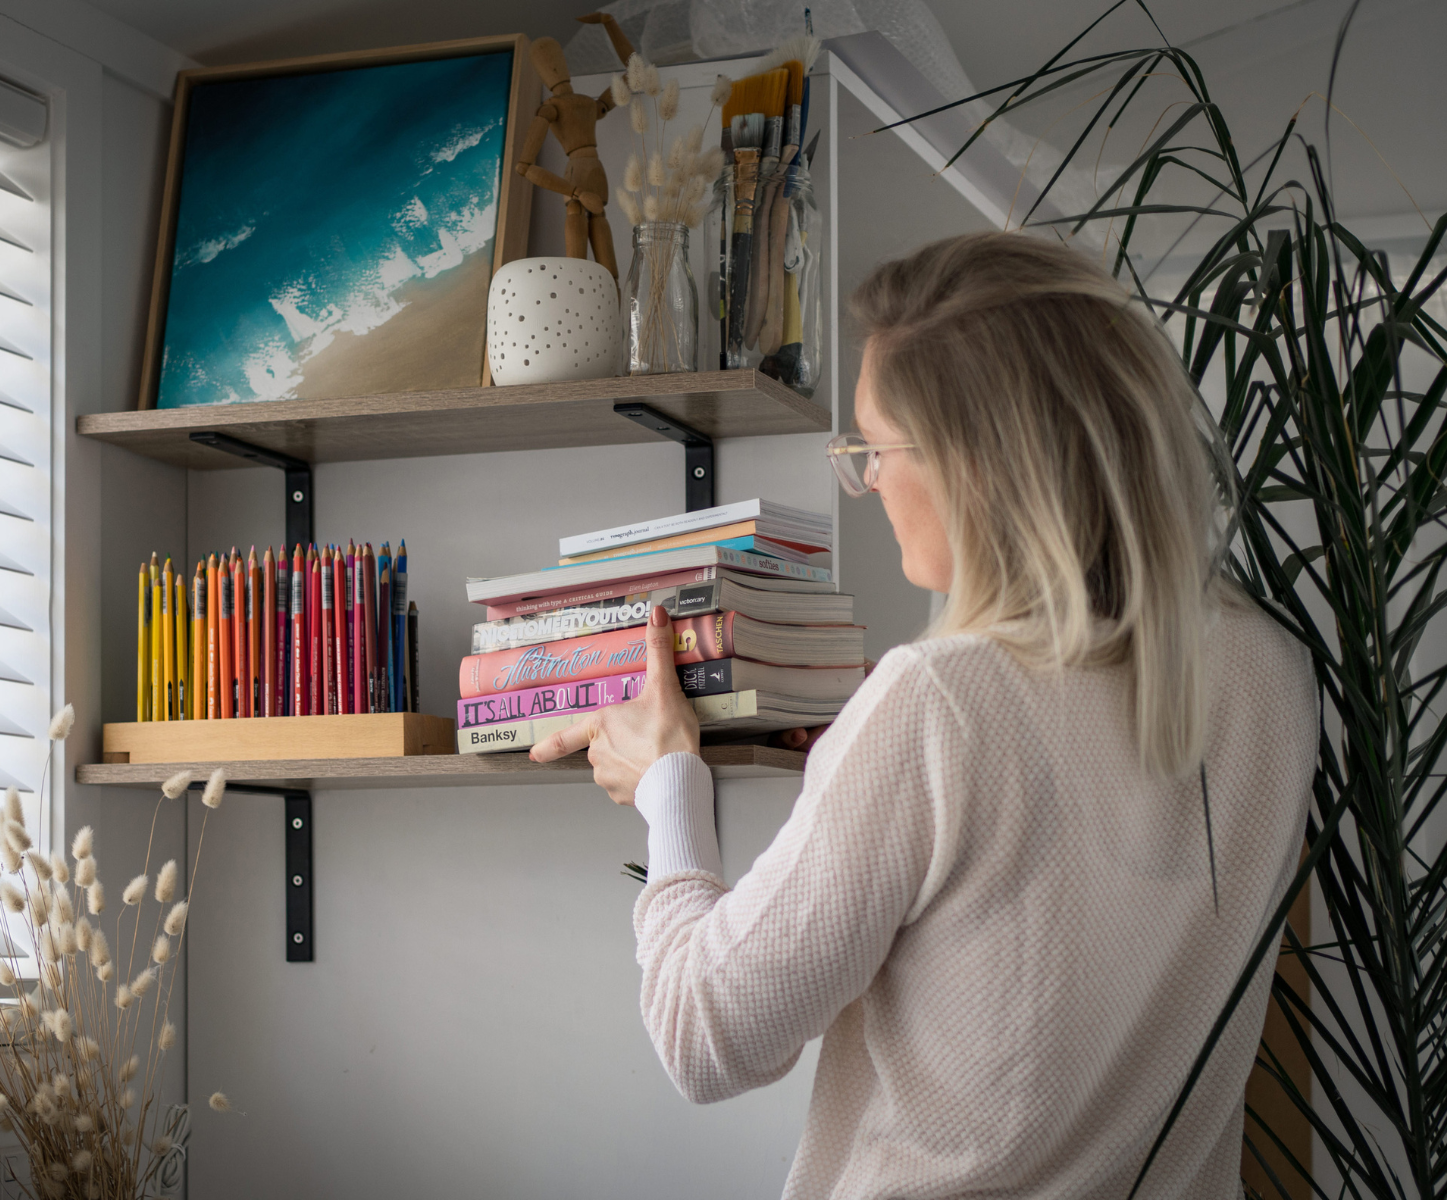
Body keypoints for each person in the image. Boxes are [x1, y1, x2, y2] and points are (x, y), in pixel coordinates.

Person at [530, 232, 1317, 1199]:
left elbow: (708, 1039)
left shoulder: (938, 703)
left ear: (979, 462)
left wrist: (669, 791)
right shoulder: (1276, 676)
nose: (866, 482)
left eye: (874, 447)